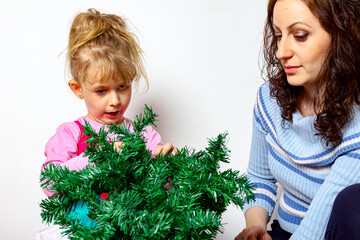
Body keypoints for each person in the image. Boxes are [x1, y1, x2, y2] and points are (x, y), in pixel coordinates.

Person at [39, 8, 175, 233]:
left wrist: (168, 165)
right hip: (85, 231)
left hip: (132, 229)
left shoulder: (143, 134)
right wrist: (96, 158)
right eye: (101, 91)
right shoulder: (71, 133)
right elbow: (50, 183)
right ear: (78, 89)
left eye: (123, 87)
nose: (115, 100)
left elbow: (161, 191)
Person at [235, 0, 360, 239]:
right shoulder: (269, 99)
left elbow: (316, 226)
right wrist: (256, 228)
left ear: (342, 37)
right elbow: (259, 177)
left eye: (300, 35)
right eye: (279, 35)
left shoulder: (356, 124)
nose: (281, 52)